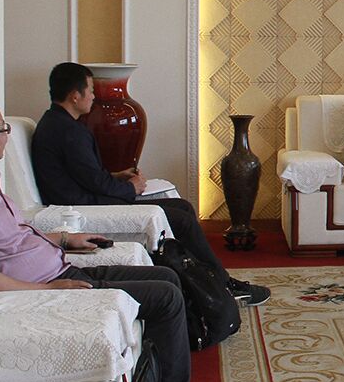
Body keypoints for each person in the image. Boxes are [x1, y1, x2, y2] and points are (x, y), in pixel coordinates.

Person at [0, 97, 224, 382]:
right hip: (52, 286)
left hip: (61, 269)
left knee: (167, 277)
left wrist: (63, 239)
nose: (8, 135)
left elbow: (10, 240)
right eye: (3, 129)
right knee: (165, 298)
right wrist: (47, 290)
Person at [31, 63, 270, 306]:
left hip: (88, 197)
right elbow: (93, 182)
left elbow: (82, 175)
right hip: (85, 207)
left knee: (183, 207)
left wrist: (116, 176)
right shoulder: (68, 131)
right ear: (75, 95)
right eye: (91, 90)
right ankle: (223, 286)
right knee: (183, 219)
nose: (93, 96)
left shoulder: (58, 123)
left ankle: (209, 283)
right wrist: (130, 188)